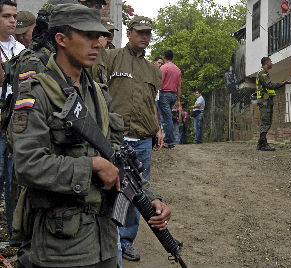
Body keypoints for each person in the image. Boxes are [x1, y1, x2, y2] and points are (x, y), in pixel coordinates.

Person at [11, 4, 171, 268]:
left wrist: (151, 196)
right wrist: (91, 166)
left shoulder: (99, 93)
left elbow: (118, 154)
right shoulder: (36, 93)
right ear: (61, 39)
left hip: (105, 240)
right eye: (87, 35)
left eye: (99, 36)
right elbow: (27, 166)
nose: (98, 42)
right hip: (62, 245)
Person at [105, 15, 163, 261]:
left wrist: (158, 129)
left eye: (148, 32)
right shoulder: (111, 58)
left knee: (138, 191)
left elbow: (153, 104)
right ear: (129, 33)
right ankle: (110, 240)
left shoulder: (153, 70)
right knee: (111, 190)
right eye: (140, 32)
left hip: (142, 139)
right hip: (115, 137)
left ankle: (127, 239)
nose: (145, 36)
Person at [0, 0, 25, 240]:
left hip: (15, 124)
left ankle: (13, 232)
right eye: (7, 16)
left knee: (14, 181)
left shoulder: (20, 50)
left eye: (14, 16)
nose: (13, 21)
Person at [256, 57, 291, 151]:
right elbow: (269, 85)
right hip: (265, 101)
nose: (272, 63)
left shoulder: (264, 72)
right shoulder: (262, 73)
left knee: (266, 121)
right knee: (266, 121)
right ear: (267, 62)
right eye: (271, 61)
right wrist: (283, 83)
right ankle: (263, 144)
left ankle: (260, 143)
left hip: (266, 100)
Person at [159, 49, 182, 148]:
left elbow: (160, 82)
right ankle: (169, 139)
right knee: (168, 118)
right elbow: (179, 86)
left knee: (166, 118)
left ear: (164, 56)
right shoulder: (177, 69)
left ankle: (169, 140)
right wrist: (178, 100)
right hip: (173, 95)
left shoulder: (164, 68)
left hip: (164, 94)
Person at [153, 56, 164, 127]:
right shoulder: (150, 71)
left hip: (157, 97)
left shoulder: (160, 73)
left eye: (161, 64)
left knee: (158, 117)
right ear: (154, 63)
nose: (160, 65)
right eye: (159, 63)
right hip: (151, 97)